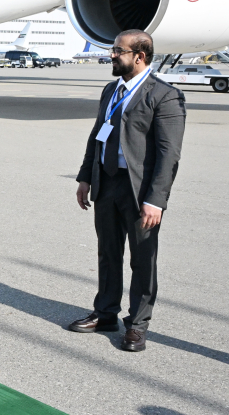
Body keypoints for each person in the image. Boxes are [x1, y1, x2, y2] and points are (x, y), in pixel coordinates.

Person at [69, 30, 185, 353]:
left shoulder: (164, 96)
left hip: (140, 191)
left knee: (142, 258)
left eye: (118, 51)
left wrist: (156, 200)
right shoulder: (111, 90)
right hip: (106, 182)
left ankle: (137, 324)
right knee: (108, 252)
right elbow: (97, 135)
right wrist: (85, 177)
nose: (112, 55)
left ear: (139, 56)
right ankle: (106, 313)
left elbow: (169, 155)